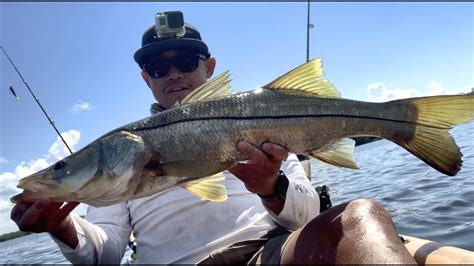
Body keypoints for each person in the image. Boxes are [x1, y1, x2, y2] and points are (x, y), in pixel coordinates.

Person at [11, 12, 416, 264]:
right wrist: (63, 229)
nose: (173, 74)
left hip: (266, 254)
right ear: (145, 77)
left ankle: (406, 121)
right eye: (156, 66)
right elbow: (107, 253)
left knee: (358, 216)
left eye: (186, 61)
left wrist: (273, 188)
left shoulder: (259, 118)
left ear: (210, 67)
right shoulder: (118, 159)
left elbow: (306, 218)